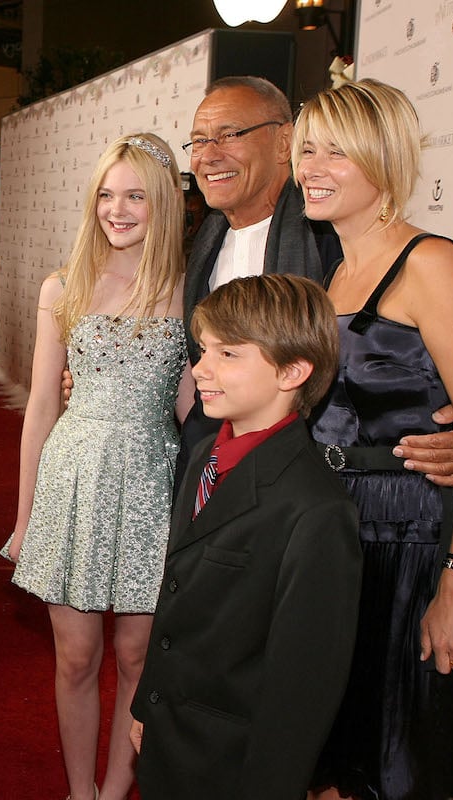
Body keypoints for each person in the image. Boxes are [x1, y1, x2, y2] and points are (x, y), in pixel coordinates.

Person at [63, 75, 453, 491]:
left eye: (229, 135)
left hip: (326, 486)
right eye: (199, 142)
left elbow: (405, 362)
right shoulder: (202, 243)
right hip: (213, 476)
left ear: (282, 142)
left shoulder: (332, 235)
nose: (209, 155)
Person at [294, 80, 453, 800]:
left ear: (382, 160)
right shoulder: (334, 274)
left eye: (335, 153)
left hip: (415, 543)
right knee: (332, 766)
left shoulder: (429, 264)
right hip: (338, 542)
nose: (311, 167)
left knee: (405, 767)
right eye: (307, 149)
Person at [2, 134, 193, 800]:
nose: (118, 209)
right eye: (108, 195)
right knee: (77, 657)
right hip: (73, 482)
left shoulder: (184, 290)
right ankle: (79, 792)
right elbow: (41, 408)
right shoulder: (64, 285)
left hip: (150, 485)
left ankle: (116, 791)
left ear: (162, 202)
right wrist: (25, 519)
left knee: (138, 656)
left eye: (135, 195)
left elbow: (191, 408)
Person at [129, 274, 361, 800]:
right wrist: (148, 704)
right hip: (170, 740)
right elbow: (175, 603)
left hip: (233, 766)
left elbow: (303, 688)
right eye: (203, 349)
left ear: (293, 371)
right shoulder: (202, 460)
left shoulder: (317, 511)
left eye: (228, 354)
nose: (200, 369)